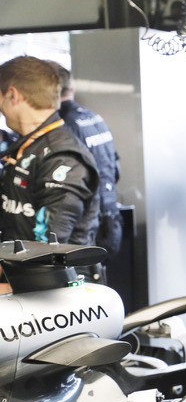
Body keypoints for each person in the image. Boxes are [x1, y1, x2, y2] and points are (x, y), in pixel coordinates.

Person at [0, 56, 99, 248]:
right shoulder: (26, 145)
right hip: (18, 271)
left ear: (13, 96)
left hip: (62, 277)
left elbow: (47, 252)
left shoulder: (62, 158)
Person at [47, 61, 123, 261]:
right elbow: (115, 169)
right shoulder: (94, 117)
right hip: (111, 214)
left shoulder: (61, 126)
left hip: (89, 223)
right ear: (71, 88)